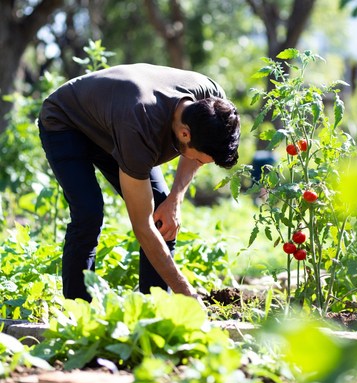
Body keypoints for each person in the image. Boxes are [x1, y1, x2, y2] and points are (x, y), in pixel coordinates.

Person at [38, 63, 240, 305]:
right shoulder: (141, 125)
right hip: (66, 121)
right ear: (185, 134)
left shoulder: (213, 104)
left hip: (115, 121)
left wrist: (175, 199)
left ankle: (154, 309)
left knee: (163, 214)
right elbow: (143, 227)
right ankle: (79, 309)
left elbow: (193, 157)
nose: (198, 163)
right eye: (199, 159)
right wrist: (186, 293)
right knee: (88, 213)